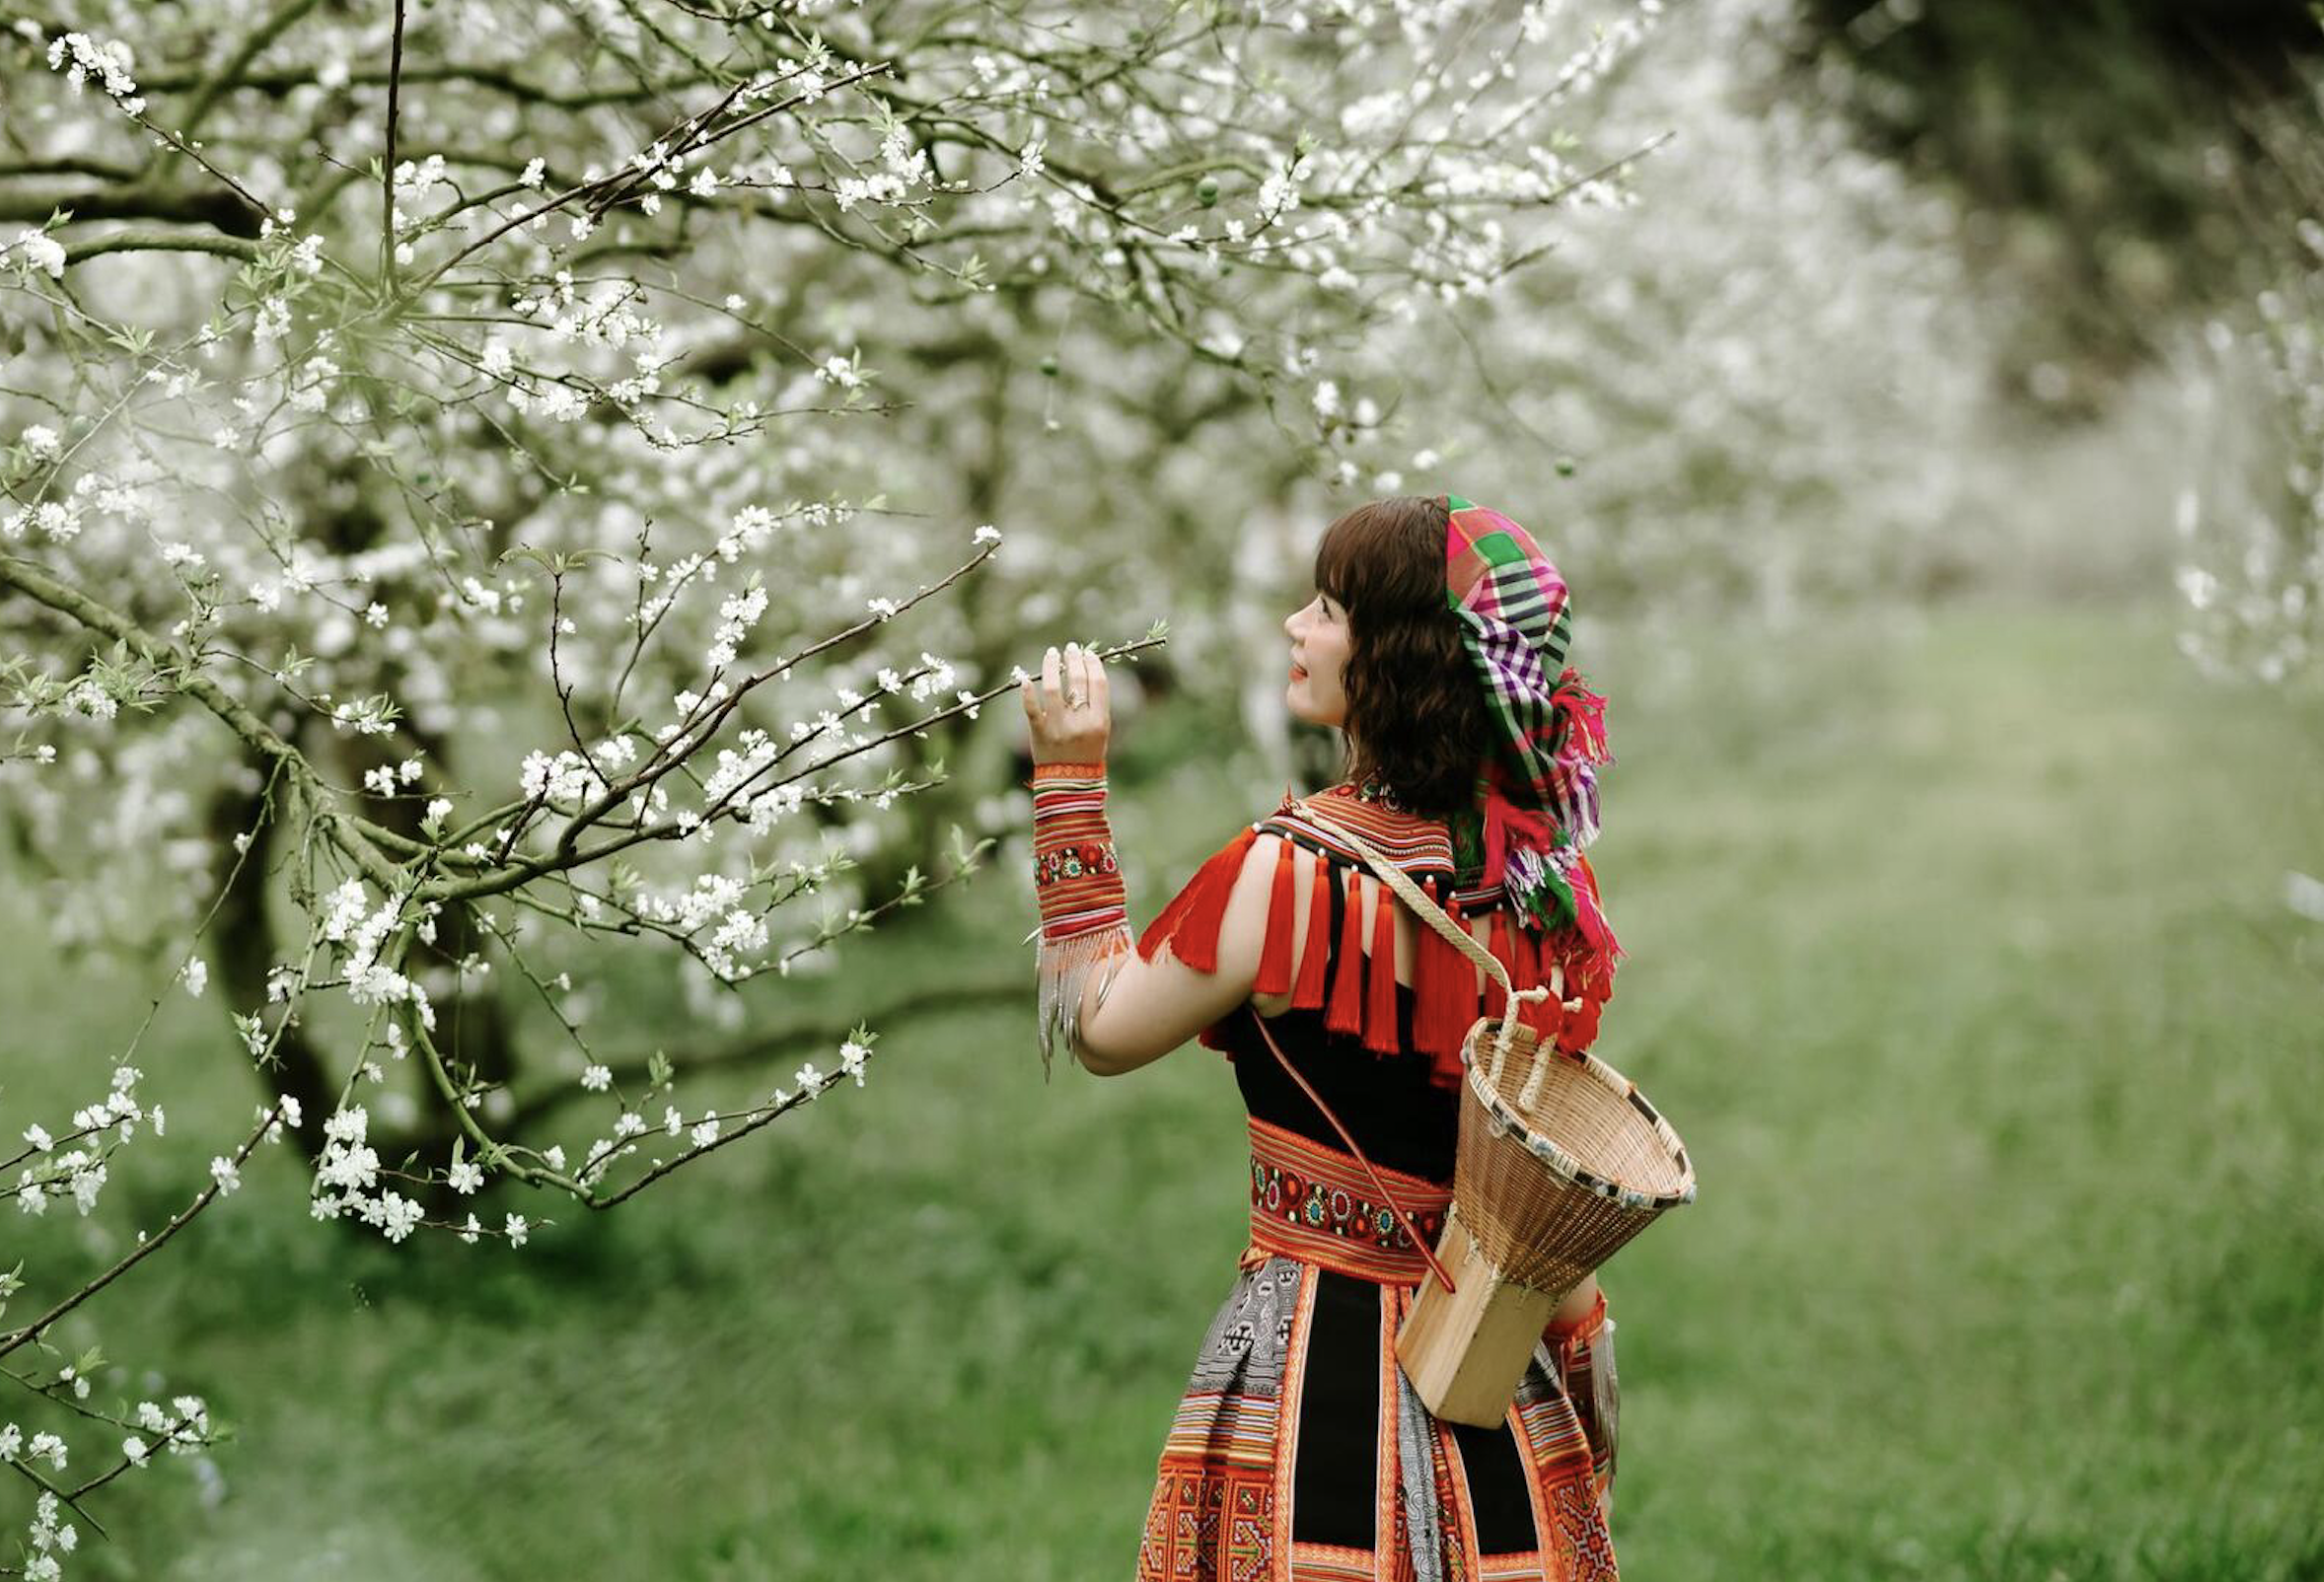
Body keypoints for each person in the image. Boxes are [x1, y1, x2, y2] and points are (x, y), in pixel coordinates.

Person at [1021, 494, 1625, 1581]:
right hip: (1496, 1370)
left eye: (1329, 607)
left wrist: (1069, 780)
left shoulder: (1286, 871)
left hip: (1299, 1381)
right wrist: (1583, 1389)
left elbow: (1103, 1028)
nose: (1296, 626)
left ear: (1392, 655)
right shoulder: (1540, 894)